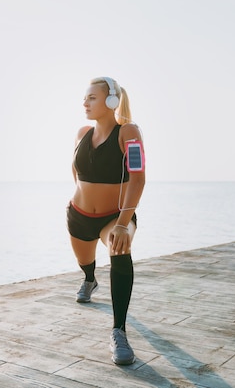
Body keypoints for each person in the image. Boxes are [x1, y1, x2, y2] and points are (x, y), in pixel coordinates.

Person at [67, 76, 146, 365]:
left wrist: (124, 222)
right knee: (85, 262)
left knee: (119, 249)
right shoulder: (81, 133)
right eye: (85, 97)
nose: (85, 102)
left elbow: (138, 178)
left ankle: (119, 332)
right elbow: (75, 171)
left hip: (114, 217)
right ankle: (89, 279)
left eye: (92, 97)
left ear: (111, 101)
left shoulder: (129, 132)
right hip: (79, 215)